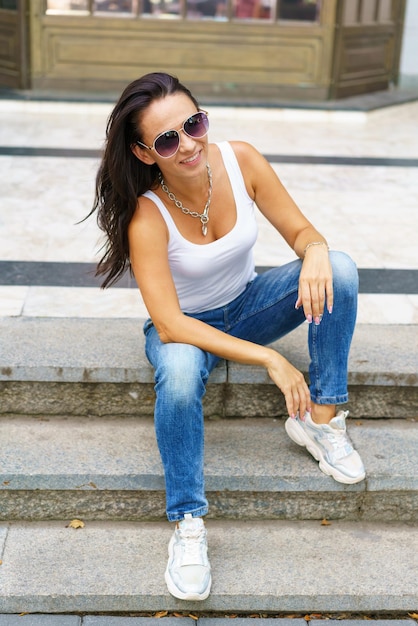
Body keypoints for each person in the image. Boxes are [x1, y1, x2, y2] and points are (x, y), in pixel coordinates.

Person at [90, 71, 365, 602]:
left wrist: (313, 252)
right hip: (187, 329)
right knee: (177, 373)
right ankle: (189, 524)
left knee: (342, 268)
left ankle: (321, 421)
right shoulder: (146, 216)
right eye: (169, 139)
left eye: (194, 123)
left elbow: (304, 232)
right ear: (146, 153)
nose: (189, 144)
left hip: (249, 305)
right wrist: (270, 359)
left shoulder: (241, 162)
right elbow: (170, 324)